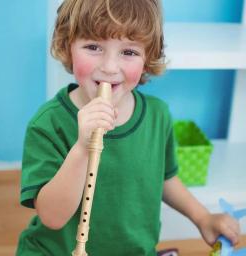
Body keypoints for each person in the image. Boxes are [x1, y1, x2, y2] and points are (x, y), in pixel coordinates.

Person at [16, 0, 240, 255]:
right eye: (93, 47)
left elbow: (165, 178)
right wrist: (81, 148)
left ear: (148, 57)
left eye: (129, 52)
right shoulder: (48, 124)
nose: (110, 67)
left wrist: (203, 218)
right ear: (68, 47)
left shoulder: (157, 115)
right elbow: (52, 217)